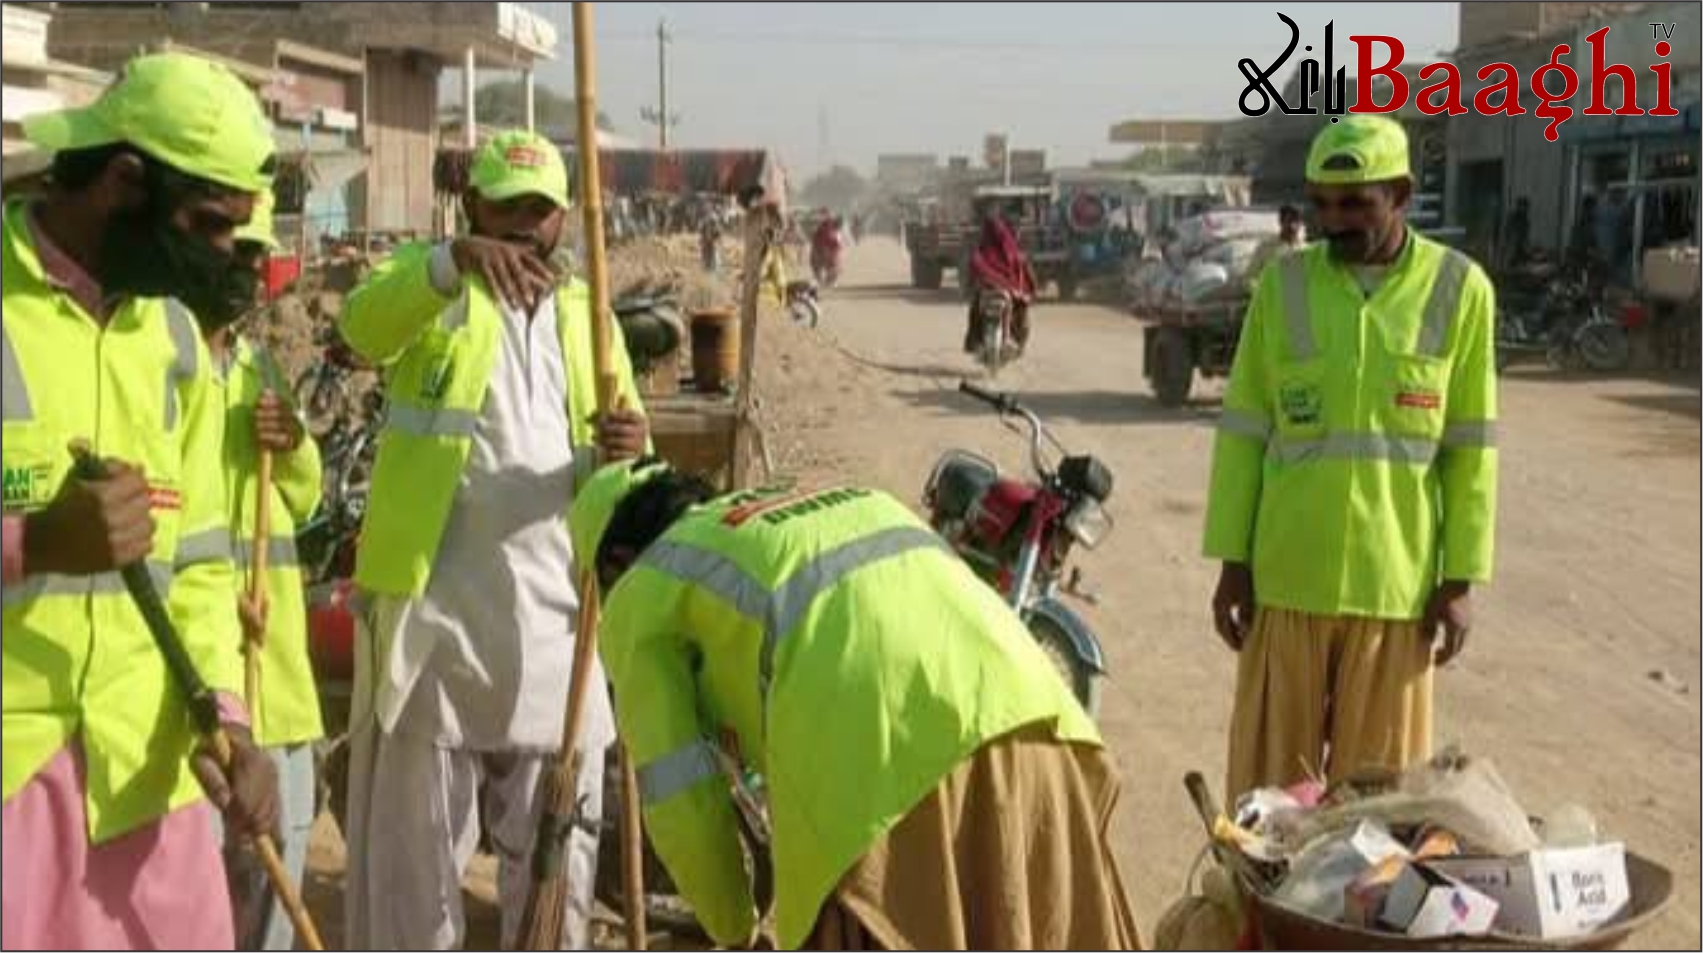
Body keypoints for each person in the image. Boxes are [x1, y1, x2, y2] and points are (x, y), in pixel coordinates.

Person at [568, 460, 1143, 952]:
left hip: (887, 790)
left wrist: (733, 926)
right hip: (1037, 724)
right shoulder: (814, 502)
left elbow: (680, 795)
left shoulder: (643, 589)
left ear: (617, 562)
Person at [337, 128, 650, 951]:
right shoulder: (429, 286)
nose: (522, 226)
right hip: (436, 632)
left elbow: (625, 461)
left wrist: (630, 447)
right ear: (472, 206)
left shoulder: (589, 318)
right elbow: (360, 330)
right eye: (505, 207)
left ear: (561, 220)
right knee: (417, 887)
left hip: (555, 632)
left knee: (555, 876)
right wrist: (452, 263)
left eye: (539, 210)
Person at [1, 51, 281, 949]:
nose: (224, 256)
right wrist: (31, 542)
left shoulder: (175, 339)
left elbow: (199, 563)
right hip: (16, 796)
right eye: (208, 225)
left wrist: (226, 720)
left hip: (149, 798)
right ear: (124, 182)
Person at [1203, 115, 1499, 800]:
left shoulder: (1460, 290)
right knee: (1270, 797)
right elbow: (1244, 432)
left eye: (1355, 203)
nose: (1334, 220)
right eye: (1322, 203)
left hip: (1394, 588)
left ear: (1401, 194)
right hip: (1286, 580)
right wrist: (1232, 563)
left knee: (1377, 805)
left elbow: (1471, 449)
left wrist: (1459, 579)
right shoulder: (1282, 287)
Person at [195, 191, 326, 952]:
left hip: (277, 685)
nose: (246, 271)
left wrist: (296, 443)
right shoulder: (158, 370)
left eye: (256, 256)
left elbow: (302, 499)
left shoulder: (257, 367)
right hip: (204, 694)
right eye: (234, 250)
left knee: (276, 911)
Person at [963, 211, 1037, 354]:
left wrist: (970, 287)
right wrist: (1029, 291)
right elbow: (1026, 276)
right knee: (1022, 313)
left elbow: (972, 272)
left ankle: (974, 342)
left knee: (974, 312)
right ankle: (1015, 343)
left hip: (991, 292)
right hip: (1007, 292)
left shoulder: (980, 251)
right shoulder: (1011, 250)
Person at [1246, 203, 1307, 287]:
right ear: (1281, 222)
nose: (1292, 226)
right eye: (1289, 221)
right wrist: (1261, 291)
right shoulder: (1266, 247)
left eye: (1296, 222)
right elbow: (1250, 278)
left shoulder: (1306, 249)